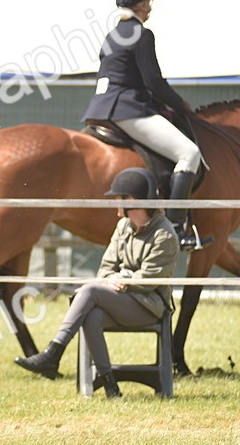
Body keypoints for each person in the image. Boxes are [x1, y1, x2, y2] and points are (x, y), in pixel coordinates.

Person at [14, 168, 177, 398]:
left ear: (132, 200)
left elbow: (149, 279)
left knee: (90, 290)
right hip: (123, 298)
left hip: (150, 307)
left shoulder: (165, 235)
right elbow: (106, 269)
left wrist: (122, 278)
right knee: (91, 316)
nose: (115, 203)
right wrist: (113, 278)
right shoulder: (122, 227)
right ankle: (110, 386)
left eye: (119, 198)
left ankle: (54, 353)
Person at [83, 0, 208, 251]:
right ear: (140, 4)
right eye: (149, 1)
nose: (150, 7)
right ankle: (176, 229)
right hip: (126, 109)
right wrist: (180, 104)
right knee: (189, 154)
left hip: (100, 107)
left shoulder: (112, 35)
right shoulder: (141, 34)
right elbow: (153, 82)